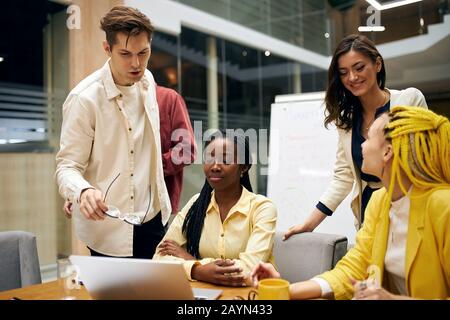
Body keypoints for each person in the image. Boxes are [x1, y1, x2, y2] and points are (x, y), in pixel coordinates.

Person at [251, 106, 450, 300]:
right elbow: (354, 267)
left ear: (387, 152)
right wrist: (284, 290)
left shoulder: (443, 206)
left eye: (369, 138)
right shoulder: (381, 200)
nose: (361, 145)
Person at [284, 35, 428, 240]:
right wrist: (309, 224)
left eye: (359, 68)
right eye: (343, 72)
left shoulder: (409, 100)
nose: (352, 77)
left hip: (409, 203)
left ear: (377, 64)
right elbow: (343, 177)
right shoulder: (347, 121)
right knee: (369, 268)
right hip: (368, 211)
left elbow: (424, 161)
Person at [56, 6, 172, 259]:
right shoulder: (84, 99)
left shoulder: (148, 81)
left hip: (153, 217)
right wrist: (82, 191)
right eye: (125, 54)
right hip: (109, 227)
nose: (136, 63)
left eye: (143, 52)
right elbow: (67, 167)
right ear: (107, 49)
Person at [153, 131, 277, 287]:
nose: (215, 166)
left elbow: (249, 269)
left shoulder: (262, 208)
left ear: (243, 167)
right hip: (205, 294)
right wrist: (197, 270)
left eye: (226, 159)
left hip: (252, 297)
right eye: (210, 158)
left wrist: (193, 261)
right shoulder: (196, 204)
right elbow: (159, 258)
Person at [63, 85, 197, 228]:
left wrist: (150, 167)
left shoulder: (168, 98)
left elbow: (187, 150)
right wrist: (79, 192)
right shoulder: (108, 102)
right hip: (109, 210)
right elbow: (98, 156)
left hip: (152, 209)